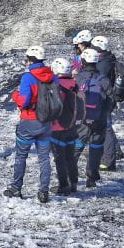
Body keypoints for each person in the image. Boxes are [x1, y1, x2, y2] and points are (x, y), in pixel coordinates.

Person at [4, 46, 57, 203]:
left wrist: (15, 96)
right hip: (46, 121)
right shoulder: (52, 76)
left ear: (30, 59)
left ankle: (16, 188)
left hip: (29, 121)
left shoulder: (28, 77)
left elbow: (24, 100)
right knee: (44, 158)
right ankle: (43, 191)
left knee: (21, 156)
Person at [75, 47, 111, 188]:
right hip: (99, 119)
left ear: (83, 61)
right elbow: (110, 100)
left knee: (76, 147)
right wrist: (102, 113)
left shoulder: (78, 78)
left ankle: (69, 178)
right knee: (96, 147)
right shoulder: (104, 79)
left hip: (81, 120)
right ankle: (92, 176)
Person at [49, 56, 81, 195]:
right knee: (70, 157)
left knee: (59, 158)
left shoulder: (55, 85)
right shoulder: (74, 83)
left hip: (57, 127)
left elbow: (53, 106)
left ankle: (63, 185)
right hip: (72, 126)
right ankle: (73, 183)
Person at [92, 36, 123, 171]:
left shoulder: (102, 64)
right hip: (107, 99)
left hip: (103, 100)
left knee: (106, 128)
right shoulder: (108, 59)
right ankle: (113, 153)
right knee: (106, 127)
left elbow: (99, 83)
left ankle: (109, 160)